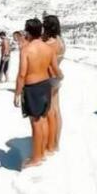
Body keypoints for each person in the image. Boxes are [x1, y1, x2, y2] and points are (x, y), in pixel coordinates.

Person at [15, 18, 62, 169]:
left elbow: (22, 74)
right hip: (45, 85)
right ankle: (42, 152)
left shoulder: (26, 50)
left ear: (28, 32)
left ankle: (36, 158)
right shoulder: (48, 49)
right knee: (42, 119)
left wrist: (16, 93)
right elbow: (55, 69)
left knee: (35, 123)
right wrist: (61, 78)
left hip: (32, 88)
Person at [41, 15, 65, 155]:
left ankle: (49, 145)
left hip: (48, 78)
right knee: (57, 111)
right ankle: (56, 143)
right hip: (56, 78)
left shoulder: (49, 44)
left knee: (49, 112)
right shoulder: (60, 41)